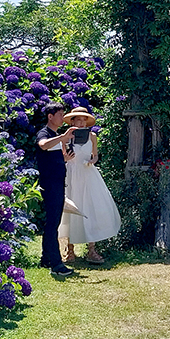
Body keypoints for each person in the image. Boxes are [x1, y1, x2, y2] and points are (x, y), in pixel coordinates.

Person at [59, 108, 121, 264]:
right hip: (72, 174)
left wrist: (92, 161)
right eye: (77, 120)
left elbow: (95, 155)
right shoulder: (66, 138)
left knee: (91, 208)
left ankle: (91, 250)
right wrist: (67, 157)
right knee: (69, 209)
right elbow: (63, 157)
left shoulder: (92, 136)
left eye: (83, 120)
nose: (80, 123)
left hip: (88, 175)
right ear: (72, 121)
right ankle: (70, 250)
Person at [35, 103, 74, 275]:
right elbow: (43, 145)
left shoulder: (56, 136)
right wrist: (63, 137)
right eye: (59, 114)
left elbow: (52, 159)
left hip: (57, 182)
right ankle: (57, 265)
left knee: (52, 222)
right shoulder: (45, 133)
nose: (62, 117)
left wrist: (66, 158)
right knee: (52, 224)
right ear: (50, 116)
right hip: (50, 184)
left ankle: (46, 258)